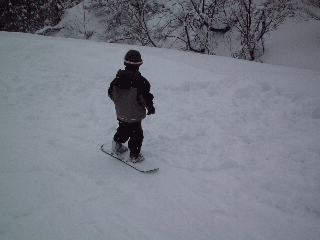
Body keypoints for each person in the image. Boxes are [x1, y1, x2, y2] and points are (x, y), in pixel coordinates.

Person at [108, 50, 155, 162]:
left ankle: (117, 146)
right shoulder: (141, 82)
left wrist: (121, 103)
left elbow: (110, 93)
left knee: (123, 129)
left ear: (125, 63)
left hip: (121, 112)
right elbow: (145, 99)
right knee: (136, 135)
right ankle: (134, 155)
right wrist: (150, 107)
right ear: (140, 64)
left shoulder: (116, 79)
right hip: (134, 115)